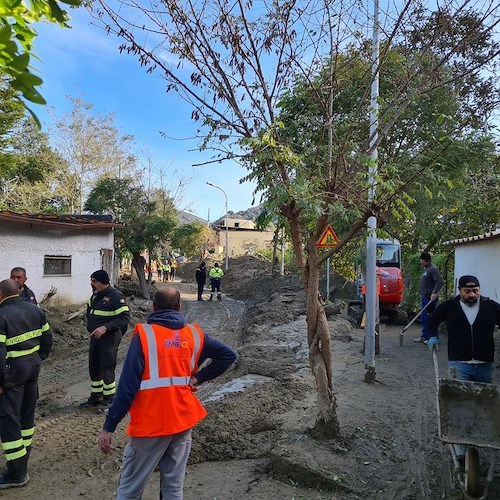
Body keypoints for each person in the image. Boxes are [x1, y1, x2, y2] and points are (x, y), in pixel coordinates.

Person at [98, 287, 237, 499]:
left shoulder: (145, 335)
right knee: (173, 487)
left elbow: (127, 386)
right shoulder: (193, 334)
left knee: (130, 490)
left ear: (154, 308)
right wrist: (198, 378)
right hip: (181, 420)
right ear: (180, 307)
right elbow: (227, 355)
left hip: (151, 424)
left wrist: (109, 425)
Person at [426, 275, 500, 463]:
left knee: (484, 405)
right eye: (467, 291)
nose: (472, 294)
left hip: (485, 365)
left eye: (475, 290)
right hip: (459, 365)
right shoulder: (450, 306)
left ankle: (479, 440)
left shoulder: (490, 307)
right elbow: (432, 320)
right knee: (459, 405)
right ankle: (460, 447)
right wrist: (432, 336)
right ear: (460, 291)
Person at [0, 279, 52, 488]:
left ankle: (17, 473)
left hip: (12, 373)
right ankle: (20, 463)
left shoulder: (1, 315)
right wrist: (37, 358)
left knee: (8, 418)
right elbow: (47, 340)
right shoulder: (35, 309)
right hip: (33, 367)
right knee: (26, 415)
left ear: (1, 294)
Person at [80, 270, 130, 413]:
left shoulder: (116, 296)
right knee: (94, 366)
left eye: (94, 281)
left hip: (109, 338)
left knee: (107, 368)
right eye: (91, 280)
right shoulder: (96, 295)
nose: (92, 283)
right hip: (95, 337)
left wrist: (105, 328)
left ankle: (109, 400)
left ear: (103, 282)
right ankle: (96, 397)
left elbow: (124, 318)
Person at [414, 252, 443, 344]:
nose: (420, 262)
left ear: (425, 261)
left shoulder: (433, 269)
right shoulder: (426, 269)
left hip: (430, 299)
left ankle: (432, 337)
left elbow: (439, 282)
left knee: (430, 318)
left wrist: (434, 293)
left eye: (421, 260)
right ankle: (425, 336)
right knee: (424, 318)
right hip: (424, 297)